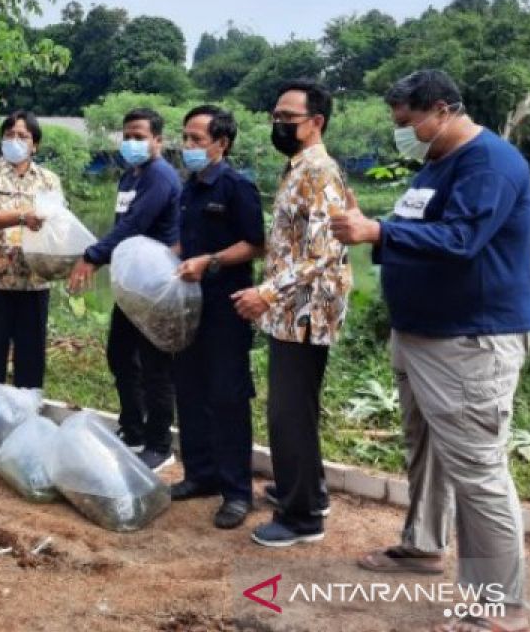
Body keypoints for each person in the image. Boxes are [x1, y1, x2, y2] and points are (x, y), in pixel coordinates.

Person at [331, 70, 530, 632]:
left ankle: (498, 607)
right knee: (426, 450)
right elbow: (415, 224)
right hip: (423, 336)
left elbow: (462, 239)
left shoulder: (488, 164)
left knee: (477, 469)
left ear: (440, 110)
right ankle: (423, 546)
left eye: (408, 122)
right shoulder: (437, 163)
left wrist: (377, 233)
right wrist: (376, 227)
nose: (404, 133)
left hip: (468, 341)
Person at [232, 80, 352, 547]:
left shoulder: (318, 171)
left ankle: (302, 519)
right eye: (276, 116)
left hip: (307, 310)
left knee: (288, 413)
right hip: (292, 309)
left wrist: (266, 291)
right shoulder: (298, 168)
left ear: (316, 122)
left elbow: (322, 252)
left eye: (289, 118)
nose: (278, 124)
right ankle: (308, 492)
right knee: (295, 409)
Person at [67, 109, 182, 472]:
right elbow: (123, 226)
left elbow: (135, 225)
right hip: (133, 286)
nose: (131, 142)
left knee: (155, 368)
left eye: (139, 136)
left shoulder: (160, 177)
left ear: (157, 141)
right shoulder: (131, 177)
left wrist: (93, 256)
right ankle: (132, 428)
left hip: (157, 287)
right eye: (127, 135)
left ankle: (160, 444)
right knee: (120, 355)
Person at [171, 105, 265, 530]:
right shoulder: (188, 188)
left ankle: (237, 492)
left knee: (227, 397)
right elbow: (183, 242)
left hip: (226, 307)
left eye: (196, 139)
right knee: (189, 389)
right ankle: (200, 474)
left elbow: (256, 244)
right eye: (185, 138)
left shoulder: (236, 186)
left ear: (221, 143)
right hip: (188, 307)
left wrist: (208, 261)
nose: (187, 146)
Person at [0, 111, 62, 398]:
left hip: (35, 280)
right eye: (10, 135)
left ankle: (26, 421)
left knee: (31, 357)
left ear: (36, 145)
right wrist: (24, 216)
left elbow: (57, 221)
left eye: (23, 136)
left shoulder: (49, 180)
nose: (15, 140)